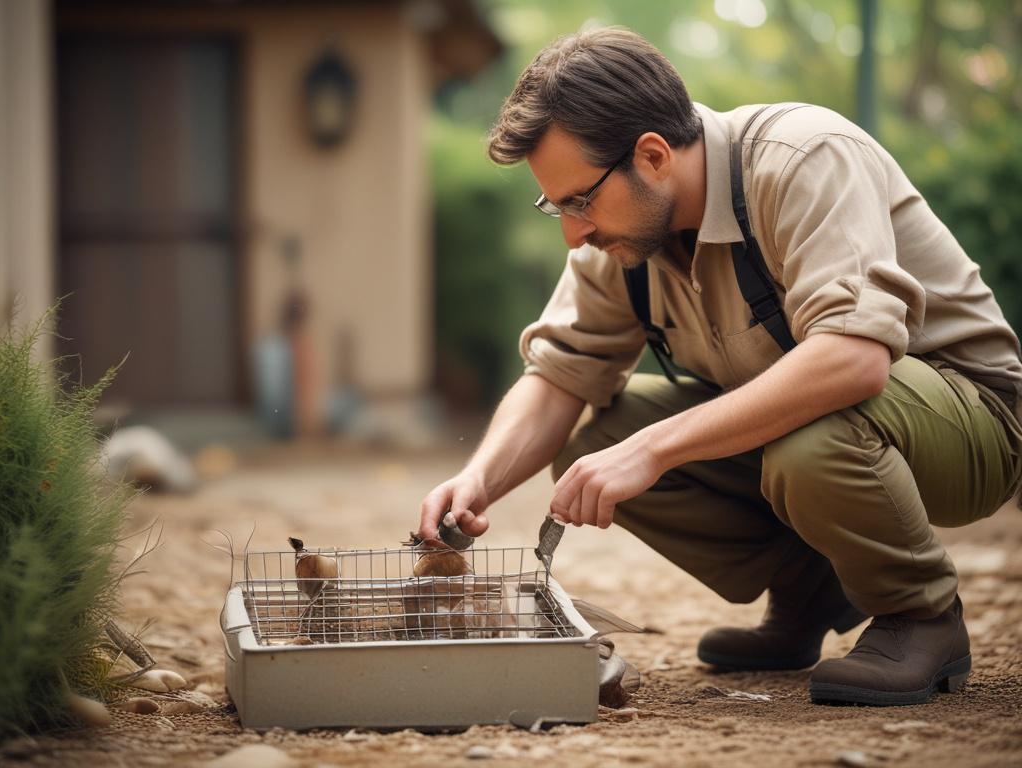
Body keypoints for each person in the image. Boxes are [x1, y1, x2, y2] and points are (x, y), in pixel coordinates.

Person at [417, 27, 1022, 706]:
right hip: (829, 424)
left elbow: (853, 359)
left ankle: (921, 617)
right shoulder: (623, 238)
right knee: (601, 444)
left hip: (972, 421)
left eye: (579, 201)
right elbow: (561, 374)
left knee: (806, 443)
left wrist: (654, 448)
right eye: (555, 205)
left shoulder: (803, 158)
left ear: (651, 155)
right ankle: (811, 592)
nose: (572, 232)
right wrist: (478, 479)